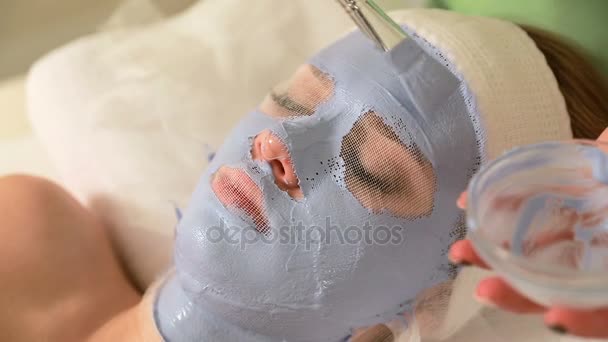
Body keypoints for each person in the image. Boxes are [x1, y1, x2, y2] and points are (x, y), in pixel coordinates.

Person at [1, 8, 607, 342]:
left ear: (429, 302)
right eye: (293, 102)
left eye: (370, 172)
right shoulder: (29, 238)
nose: (276, 145)